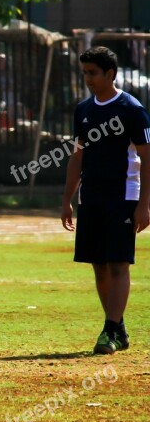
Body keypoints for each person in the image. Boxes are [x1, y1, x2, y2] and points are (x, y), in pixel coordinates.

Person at [61, 46, 150, 355]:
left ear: (110, 74)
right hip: (92, 198)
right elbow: (77, 155)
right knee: (98, 266)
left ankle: (110, 329)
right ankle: (117, 327)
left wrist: (144, 203)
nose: (88, 79)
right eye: (85, 73)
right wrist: (67, 198)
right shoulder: (83, 109)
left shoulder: (131, 109)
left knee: (117, 264)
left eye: (93, 73)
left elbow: (147, 158)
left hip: (122, 197)